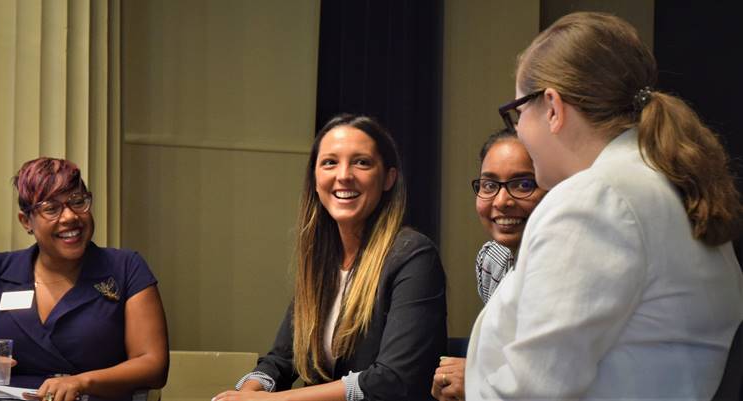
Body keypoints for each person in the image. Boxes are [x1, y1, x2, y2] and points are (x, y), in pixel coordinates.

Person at [465, 12, 743, 399]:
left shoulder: (594, 202)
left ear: (551, 107)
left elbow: (533, 390)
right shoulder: (668, 185)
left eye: (517, 113)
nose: (519, 129)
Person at [213, 114, 447, 401]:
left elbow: (392, 380)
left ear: (388, 178)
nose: (344, 174)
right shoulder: (322, 262)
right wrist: (247, 392)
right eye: (330, 162)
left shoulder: (413, 255)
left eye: (361, 162)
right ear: (315, 178)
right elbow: (279, 361)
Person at [0, 157, 169, 401]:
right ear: (26, 221)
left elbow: (153, 365)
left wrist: (82, 382)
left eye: (78, 202)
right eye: (51, 209)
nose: (70, 217)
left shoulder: (125, 268)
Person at [431, 129, 547, 401]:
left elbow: (550, 374)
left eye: (523, 184)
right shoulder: (491, 259)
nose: (502, 201)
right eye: (489, 185)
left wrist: (477, 377)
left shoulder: (566, 266)